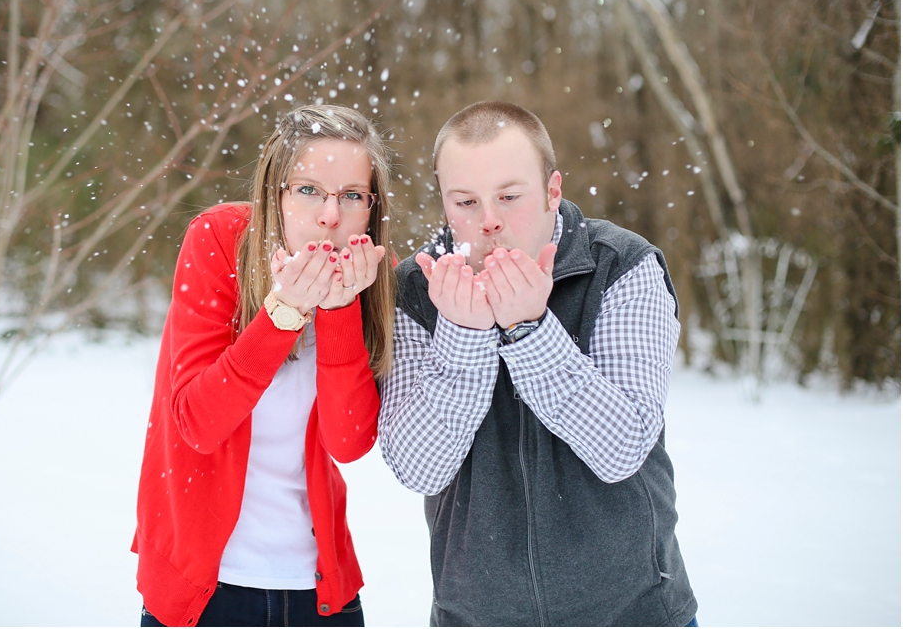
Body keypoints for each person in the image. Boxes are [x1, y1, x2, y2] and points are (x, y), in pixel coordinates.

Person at [378, 101, 698, 626]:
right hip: (475, 616)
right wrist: (463, 334)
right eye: (464, 201)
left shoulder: (621, 266)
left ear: (553, 190)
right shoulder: (419, 287)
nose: (488, 222)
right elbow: (419, 467)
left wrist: (529, 331)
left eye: (509, 196)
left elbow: (621, 449)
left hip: (630, 611)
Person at [134, 105, 395, 627]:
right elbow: (198, 423)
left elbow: (348, 442)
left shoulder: (365, 273)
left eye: (350, 196)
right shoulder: (218, 240)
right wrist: (284, 314)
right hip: (206, 588)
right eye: (308, 190)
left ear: (370, 207)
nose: (329, 214)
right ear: (275, 191)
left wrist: (340, 309)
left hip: (319, 592)